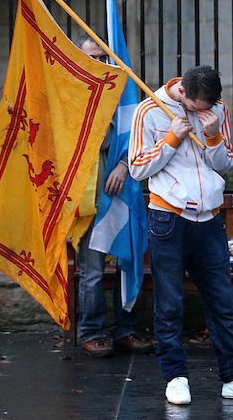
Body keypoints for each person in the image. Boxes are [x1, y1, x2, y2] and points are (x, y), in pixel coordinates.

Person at [128, 65, 233, 405]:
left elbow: (224, 164)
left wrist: (213, 135)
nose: (204, 111)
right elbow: (137, 168)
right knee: (170, 304)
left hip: (210, 219)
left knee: (222, 302)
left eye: (210, 106)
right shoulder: (149, 109)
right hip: (169, 218)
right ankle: (175, 377)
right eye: (197, 106)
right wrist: (171, 138)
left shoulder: (217, 109)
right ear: (183, 92)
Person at [75, 34, 152, 358]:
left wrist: (123, 165)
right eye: (91, 57)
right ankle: (91, 332)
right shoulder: (72, 93)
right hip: (89, 194)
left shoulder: (124, 94)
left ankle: (124, 330)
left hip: (122, 188)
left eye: (103, 57)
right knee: (92, 271)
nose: (97, 62)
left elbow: (138, 139)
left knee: (127, 261)